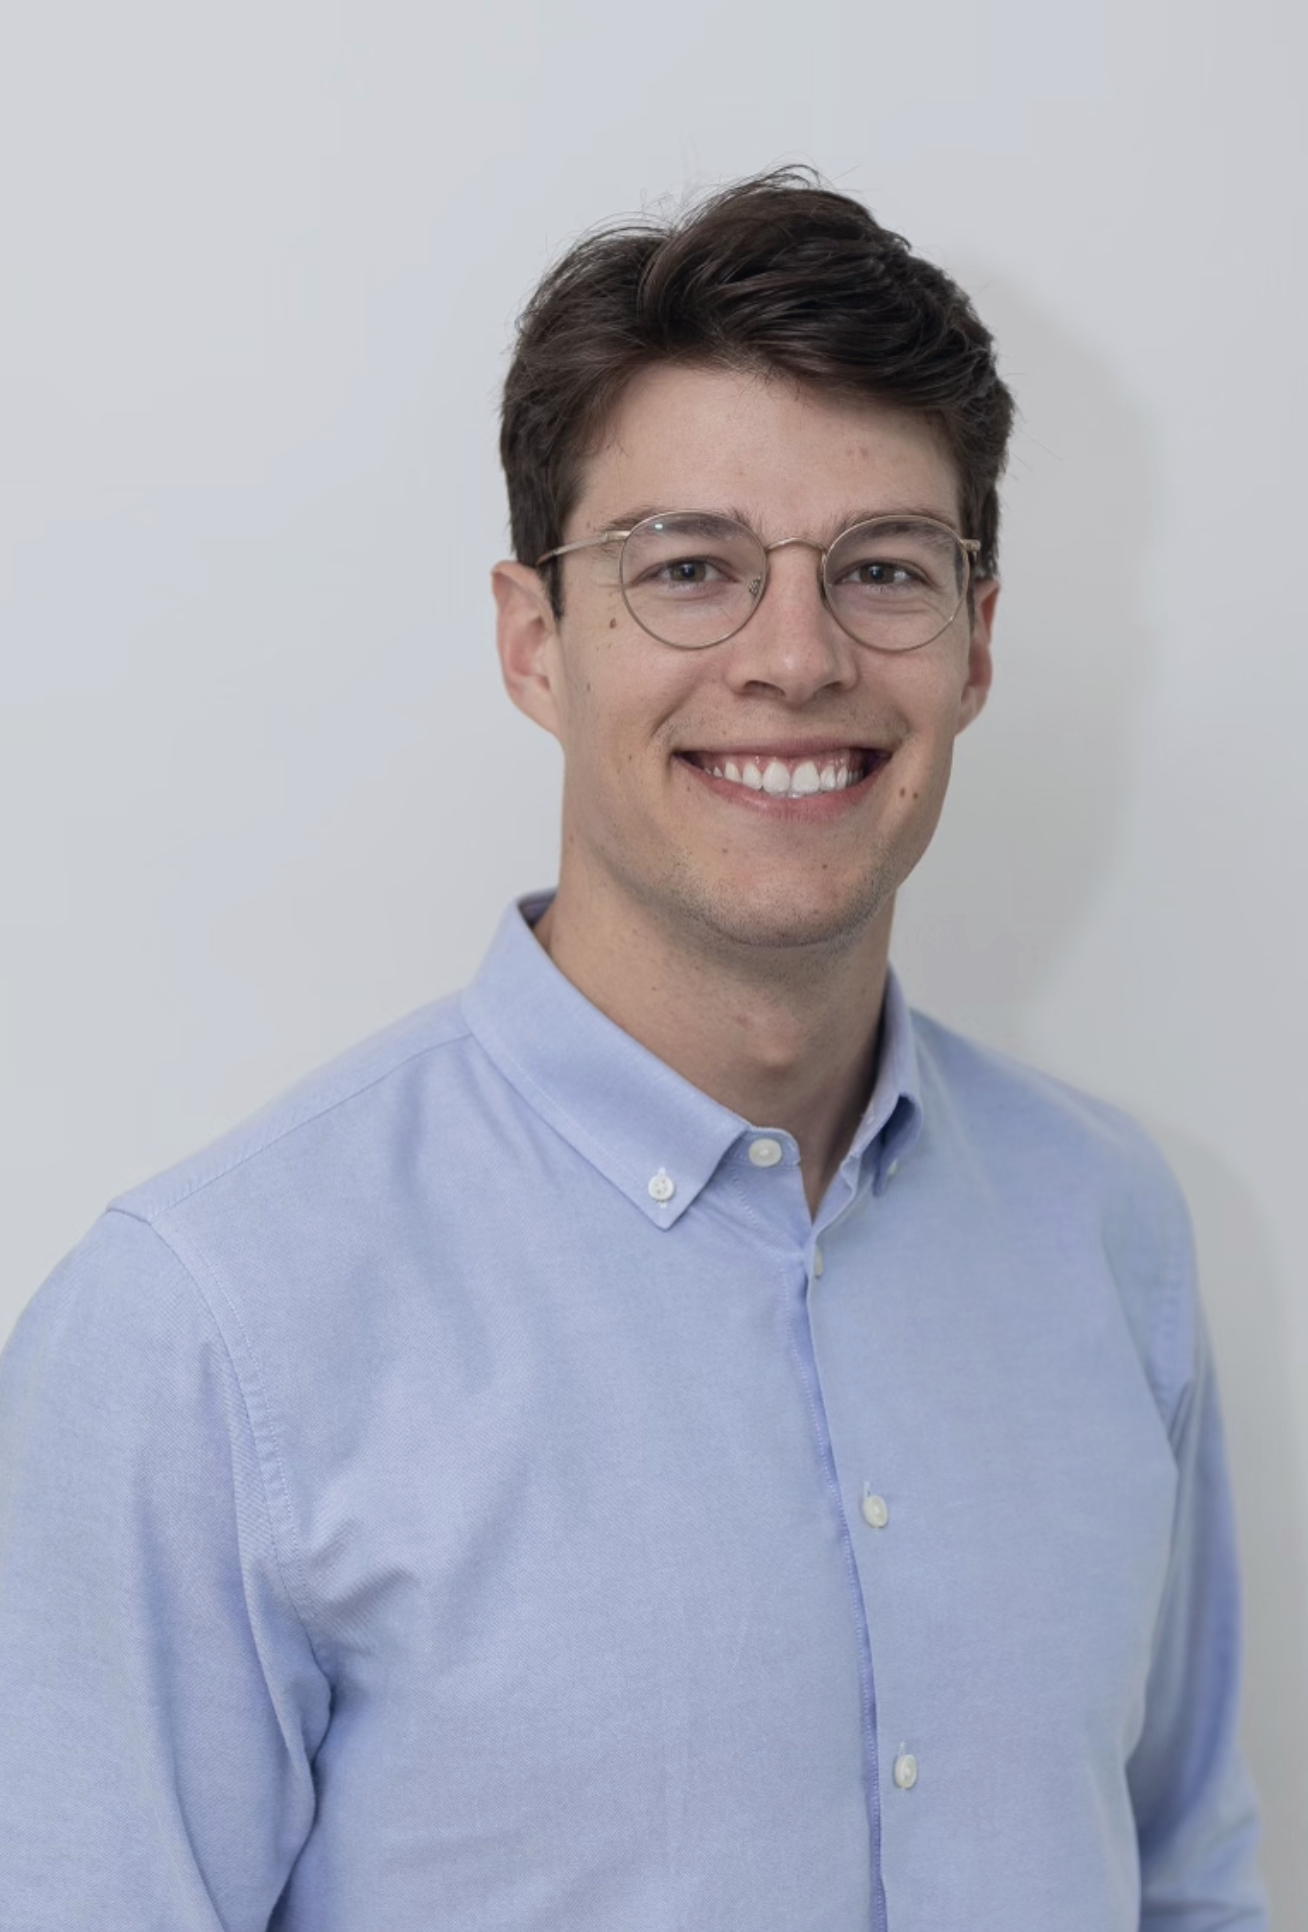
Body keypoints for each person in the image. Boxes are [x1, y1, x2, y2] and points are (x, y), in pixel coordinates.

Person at [0, 172, 1267, 1931]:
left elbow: (1188, 1879)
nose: (797, 658)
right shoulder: (205, 1333)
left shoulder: (1109, 1223)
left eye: (883, 569)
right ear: (535, 644)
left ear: (977, 645)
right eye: (690, 570)